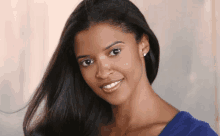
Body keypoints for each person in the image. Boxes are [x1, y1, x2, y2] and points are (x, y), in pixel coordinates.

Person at [23, 0, 218, 136]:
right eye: (87, 62)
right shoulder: (69, 128)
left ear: (143, 44)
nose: (102, 72)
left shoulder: (194, 134)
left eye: (114, 52)